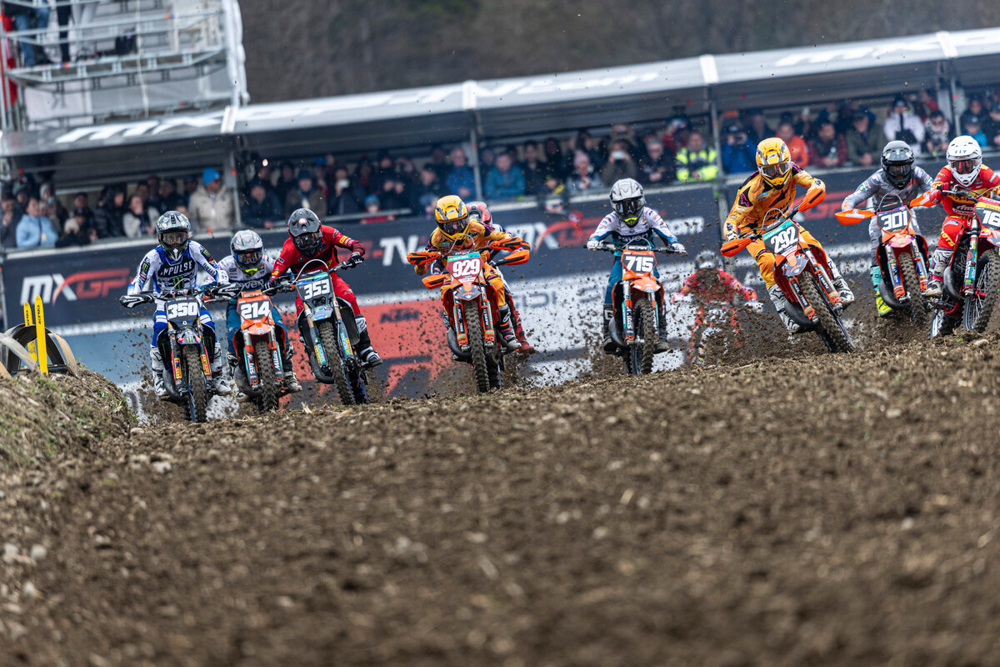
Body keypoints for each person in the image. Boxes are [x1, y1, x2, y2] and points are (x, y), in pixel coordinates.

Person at [724, 138, 854, 334]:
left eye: (781, 167)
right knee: (768, 262)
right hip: (754, 231)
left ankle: (839, 285)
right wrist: (732, 236)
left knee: (811, 244)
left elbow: (812, 182)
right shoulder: (749, 189)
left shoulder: (793, 170)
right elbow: (732, 219)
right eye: (771, 170)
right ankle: (785, 314)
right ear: (761, 169)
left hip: (782, 220)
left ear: (788, 162)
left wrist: (816, 188)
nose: (777, 174)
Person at [124, 211, 231, 399]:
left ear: (187, 235)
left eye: (179, 237)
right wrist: (133, 295)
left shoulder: (195, 248)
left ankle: (217, 376)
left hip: (192, 298)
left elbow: (215, 268)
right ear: (161, 237)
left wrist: (222, 281)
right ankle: (159, 377)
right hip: (164, 303)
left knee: (208, 325)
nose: (175, 243)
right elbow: (139, 280)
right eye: (170, 237)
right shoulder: (153, 257)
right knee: (160, 328)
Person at [270, 209, 382, 368]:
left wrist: (355, 254)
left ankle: (365, 347)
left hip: (331, 277)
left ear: (319, 230)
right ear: (293, 238)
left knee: (348, 296)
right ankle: (313, 354)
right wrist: (273, 283)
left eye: (312, 236)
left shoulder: (329, 233)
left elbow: (354, 243)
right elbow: (277, 271)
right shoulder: (288, 249)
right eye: (303, 239)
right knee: (300, 311)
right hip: (304, 286)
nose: (309, 242)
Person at [586, 178, 686, 352]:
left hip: (646, 258)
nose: (630, 210)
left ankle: (661, 332)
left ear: (641, 200)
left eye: (633, 204)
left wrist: (674, 244)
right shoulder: (612, 219)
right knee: (612, 285)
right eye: (623, 206)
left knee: (657, 285)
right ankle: (608, 334)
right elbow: (598, 233)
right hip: (622, 259)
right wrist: (594, 241)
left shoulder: (649, 214)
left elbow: (666, 233)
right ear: (615, 206)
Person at [414, 195, 524, 351]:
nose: (455, 228)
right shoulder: (436, 237)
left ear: (465, 218)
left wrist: (508, 239)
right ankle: (450, 321)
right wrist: (420, 265)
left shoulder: (476, 226)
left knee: (497, 283)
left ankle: (506, 330)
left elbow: (498, 234)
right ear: (440, 225)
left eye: (459, 223)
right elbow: (427, 258)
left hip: (480, 266)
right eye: (450, 226)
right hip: (453, 273)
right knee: (445, 290)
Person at [841, 141, 934, 316]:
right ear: (885, 168)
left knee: (920, 242)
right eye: (894, 169)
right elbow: (854, 197)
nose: (900, 174)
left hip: (907, 212)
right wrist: (848, 208)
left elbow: (934, 188)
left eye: (904, 168)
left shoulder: (918, 173)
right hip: (880, 216)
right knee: (875, 253)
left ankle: (931, 283)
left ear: (911, 165)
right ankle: (880, 296)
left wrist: (932, 196)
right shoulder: (877, 179)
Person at [219, 229, 302, 394]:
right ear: (235, 255)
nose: (250, 261)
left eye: (254, 255)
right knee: (233, 334)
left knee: (280, 327)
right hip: (237, 305)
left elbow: (284, 271)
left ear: (261, 252)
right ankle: (239, 377)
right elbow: (213, 278)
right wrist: (214, 288)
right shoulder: (226, 265)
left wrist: (288, 281)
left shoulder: (266, 262)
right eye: (244, 257)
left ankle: (288, 373)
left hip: (263, 302)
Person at [924, 136, 1000, 298]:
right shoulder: (945, 172)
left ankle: (995, 278)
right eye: (958, 165)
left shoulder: (985, 173)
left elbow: (998, 185)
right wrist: (941, 189)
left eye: (968, 164)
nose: (963, 169)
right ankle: (935, 280)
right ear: (950, 164)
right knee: (950, 229)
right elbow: (932, 197)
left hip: (982, 219)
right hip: (957, 216)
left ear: (977, 161)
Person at [466, 200, 535, 354]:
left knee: (506, 292)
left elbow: (514, 241)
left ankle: (521, 339)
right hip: (463, 272)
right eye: (474, 230)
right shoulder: (457, 234)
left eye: (483, 227)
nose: (479, 232)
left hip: (487, 267)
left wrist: (520, 249)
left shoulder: (496, 229)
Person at [673, 250, 760, 363]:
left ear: (717, 268)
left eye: (711, 271)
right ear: (698, 270)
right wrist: (681, 298)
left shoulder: (725, 276)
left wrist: (753, 301)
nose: (708, 275)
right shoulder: (694, 278)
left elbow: (744, 289)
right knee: (695, 333)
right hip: (704, 308)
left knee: (738, 332)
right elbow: (679, 294)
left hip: (725, 307)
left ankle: (741, 356)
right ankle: (692, 359)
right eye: (704, 271)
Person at [188, 168, 235, 233]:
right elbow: (193, 220)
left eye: (220, 180)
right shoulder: (195, 198)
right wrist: (198, 234)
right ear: (208, 183)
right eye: (216, 181)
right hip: (205, 236)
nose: (219, 183)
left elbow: (236, 215)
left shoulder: (228, 195)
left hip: (227, 234)